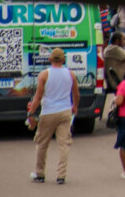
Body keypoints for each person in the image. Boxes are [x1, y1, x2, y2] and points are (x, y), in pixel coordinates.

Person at [27, 48, 80, 185]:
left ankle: (40, 173)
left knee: (42, 143)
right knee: (64, 144)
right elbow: (76, 94)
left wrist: (31, 112)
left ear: (50, 59)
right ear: (63, 60)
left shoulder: (44, 75)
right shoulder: (71, 74)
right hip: (65, 111)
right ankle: (61, 175)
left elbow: (38, 97)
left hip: (48, 112)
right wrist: (75, 106)